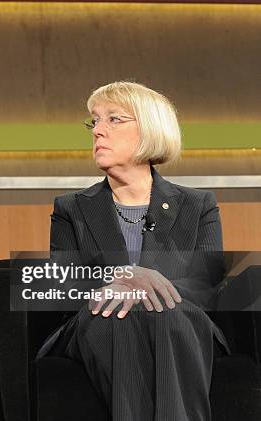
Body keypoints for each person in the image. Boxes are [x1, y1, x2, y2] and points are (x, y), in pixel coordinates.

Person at [36, 81, 228, 420]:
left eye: (113, 119)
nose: (97, 131)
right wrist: (119, 278)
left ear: (150, 129)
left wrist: (150, 288)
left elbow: (206, 282)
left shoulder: (198, 205)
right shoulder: (72, 209)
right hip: (98, 321)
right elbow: (63, 285)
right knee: (119, 315)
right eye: (94, 121)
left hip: (177, 320)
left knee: (169, 312)